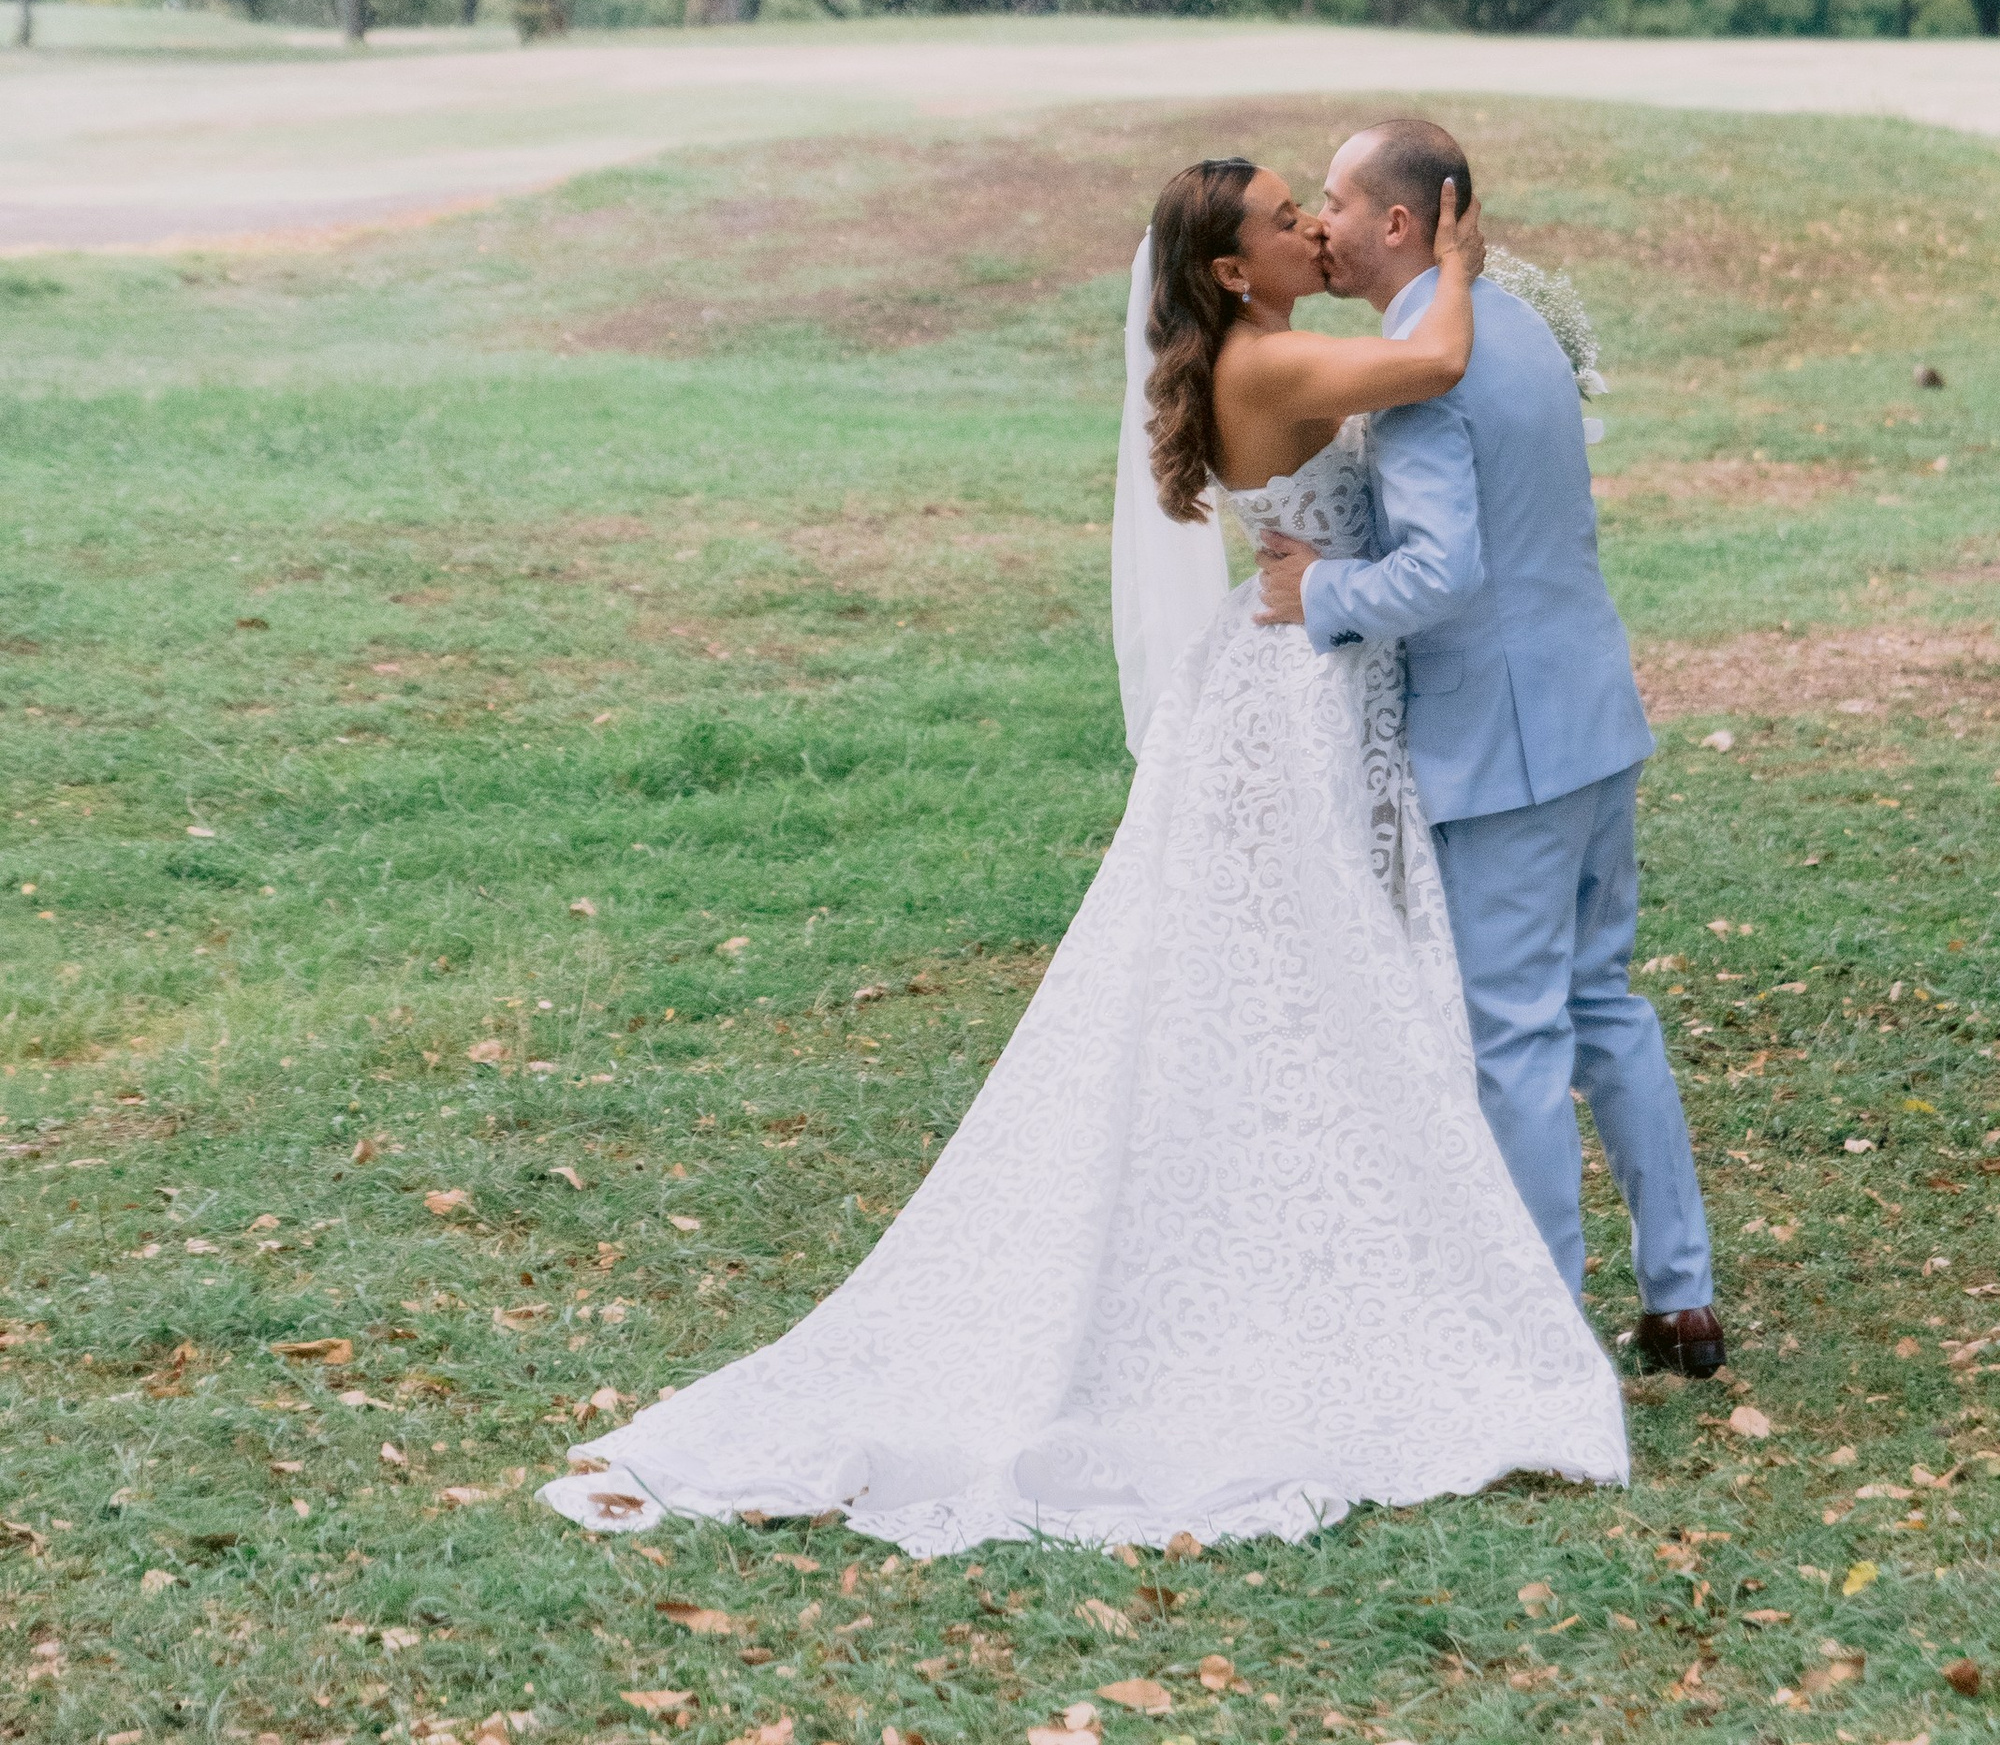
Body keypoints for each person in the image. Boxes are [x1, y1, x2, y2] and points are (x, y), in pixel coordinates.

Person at [539, 152, 1627, 1556]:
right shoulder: (1268, 361)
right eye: (1282, 216)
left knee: (1301, 971)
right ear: (1230, 269)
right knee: (1303, 968)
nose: (1309, 223)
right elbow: (1433, 361)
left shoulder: (1263, 348)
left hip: (1311, 667)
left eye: (1309, 203)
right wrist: (1457, 257)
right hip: (1296, 690)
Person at [1256, 117, 1723, 1380]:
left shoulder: (1421, 371)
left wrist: (1317, 591)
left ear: (1397, 221)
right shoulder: (1511, 326)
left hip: (1504, 749)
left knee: (1514, 1036)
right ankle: (1680, 1295)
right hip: (1593, 715)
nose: (1320, 222)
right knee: (1605, 1004)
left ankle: (1540, 1329)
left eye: (1335, 199)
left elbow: (1442, 573)